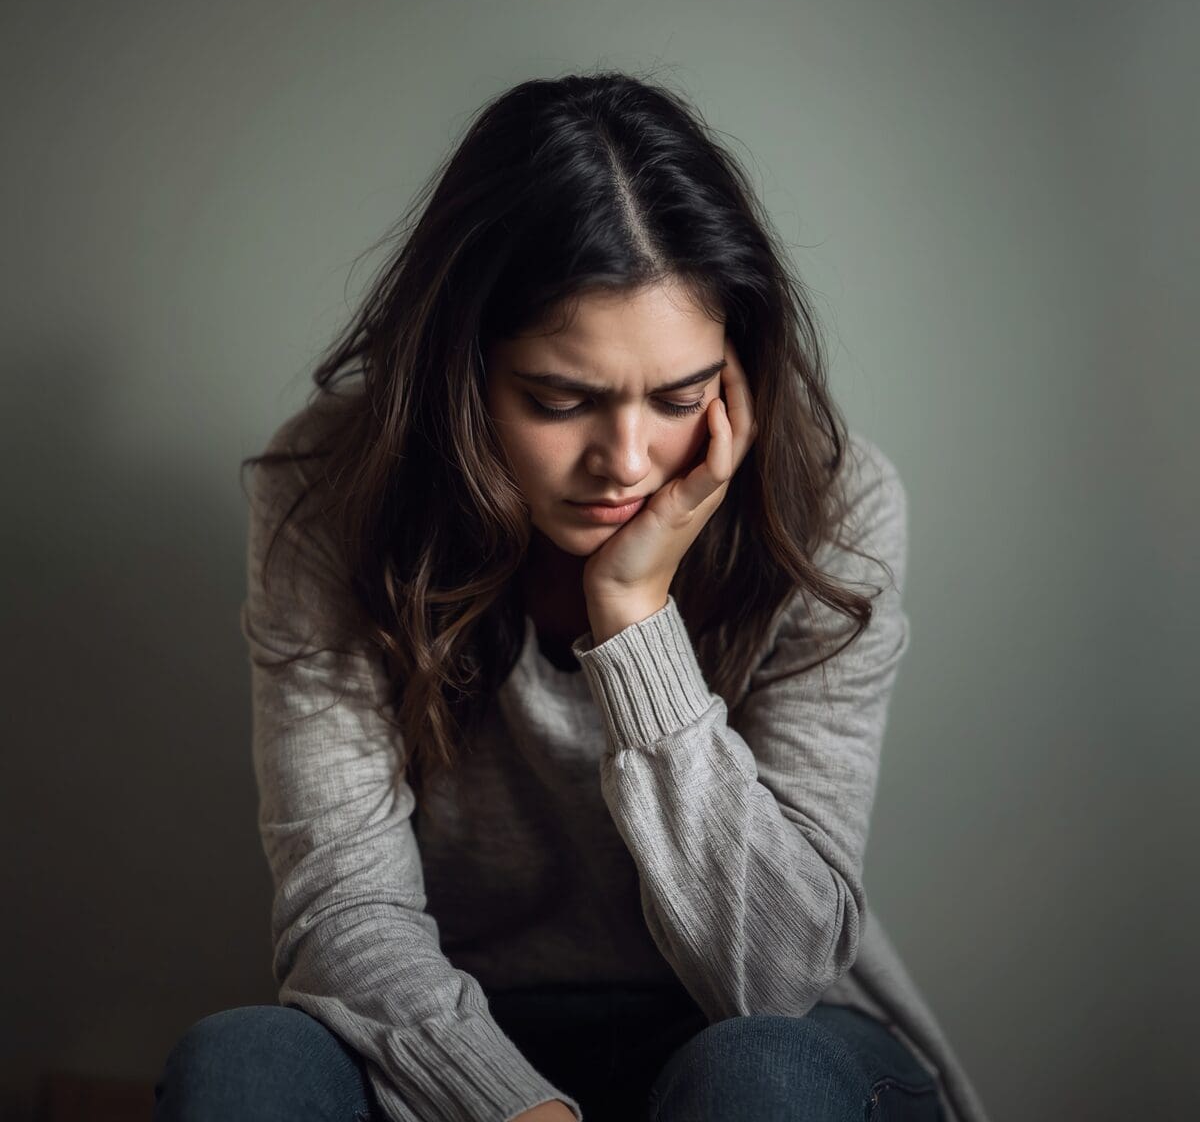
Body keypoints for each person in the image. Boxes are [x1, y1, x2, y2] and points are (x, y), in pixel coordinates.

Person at [153, 71, 991, 1122]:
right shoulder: (327, 498)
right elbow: (343, 911)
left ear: (736, 371)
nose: (626, 461)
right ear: (461, 367)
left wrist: (636, 613)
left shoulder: (834, 506)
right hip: (460, 1026)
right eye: (560, 399)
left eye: (680, 398)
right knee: (242, 1063)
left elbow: (773, 978)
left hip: (763, 1040)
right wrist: (515, 1109)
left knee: (757, 1075)